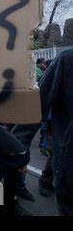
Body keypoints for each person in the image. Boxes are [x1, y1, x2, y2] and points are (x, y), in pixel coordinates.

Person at [39, 49, 73, 215]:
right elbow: (38, 105)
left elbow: (38, 104)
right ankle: (44, 181)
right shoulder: (66, 60)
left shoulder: (65, 59)